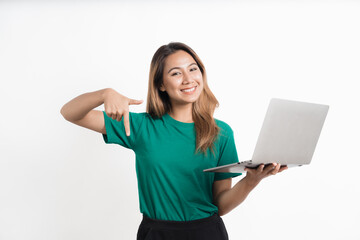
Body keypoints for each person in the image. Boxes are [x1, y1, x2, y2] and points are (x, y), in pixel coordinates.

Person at [60, 42, 287, 240]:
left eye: (193, 69)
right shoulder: (141, 126)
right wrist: (104, 93)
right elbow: (70, 113)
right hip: (157, 233)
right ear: (161, 84)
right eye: (176, 73)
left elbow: (220, 204)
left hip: (207, 233)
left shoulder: (221, 133)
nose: (188, 79)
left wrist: (251, 180)